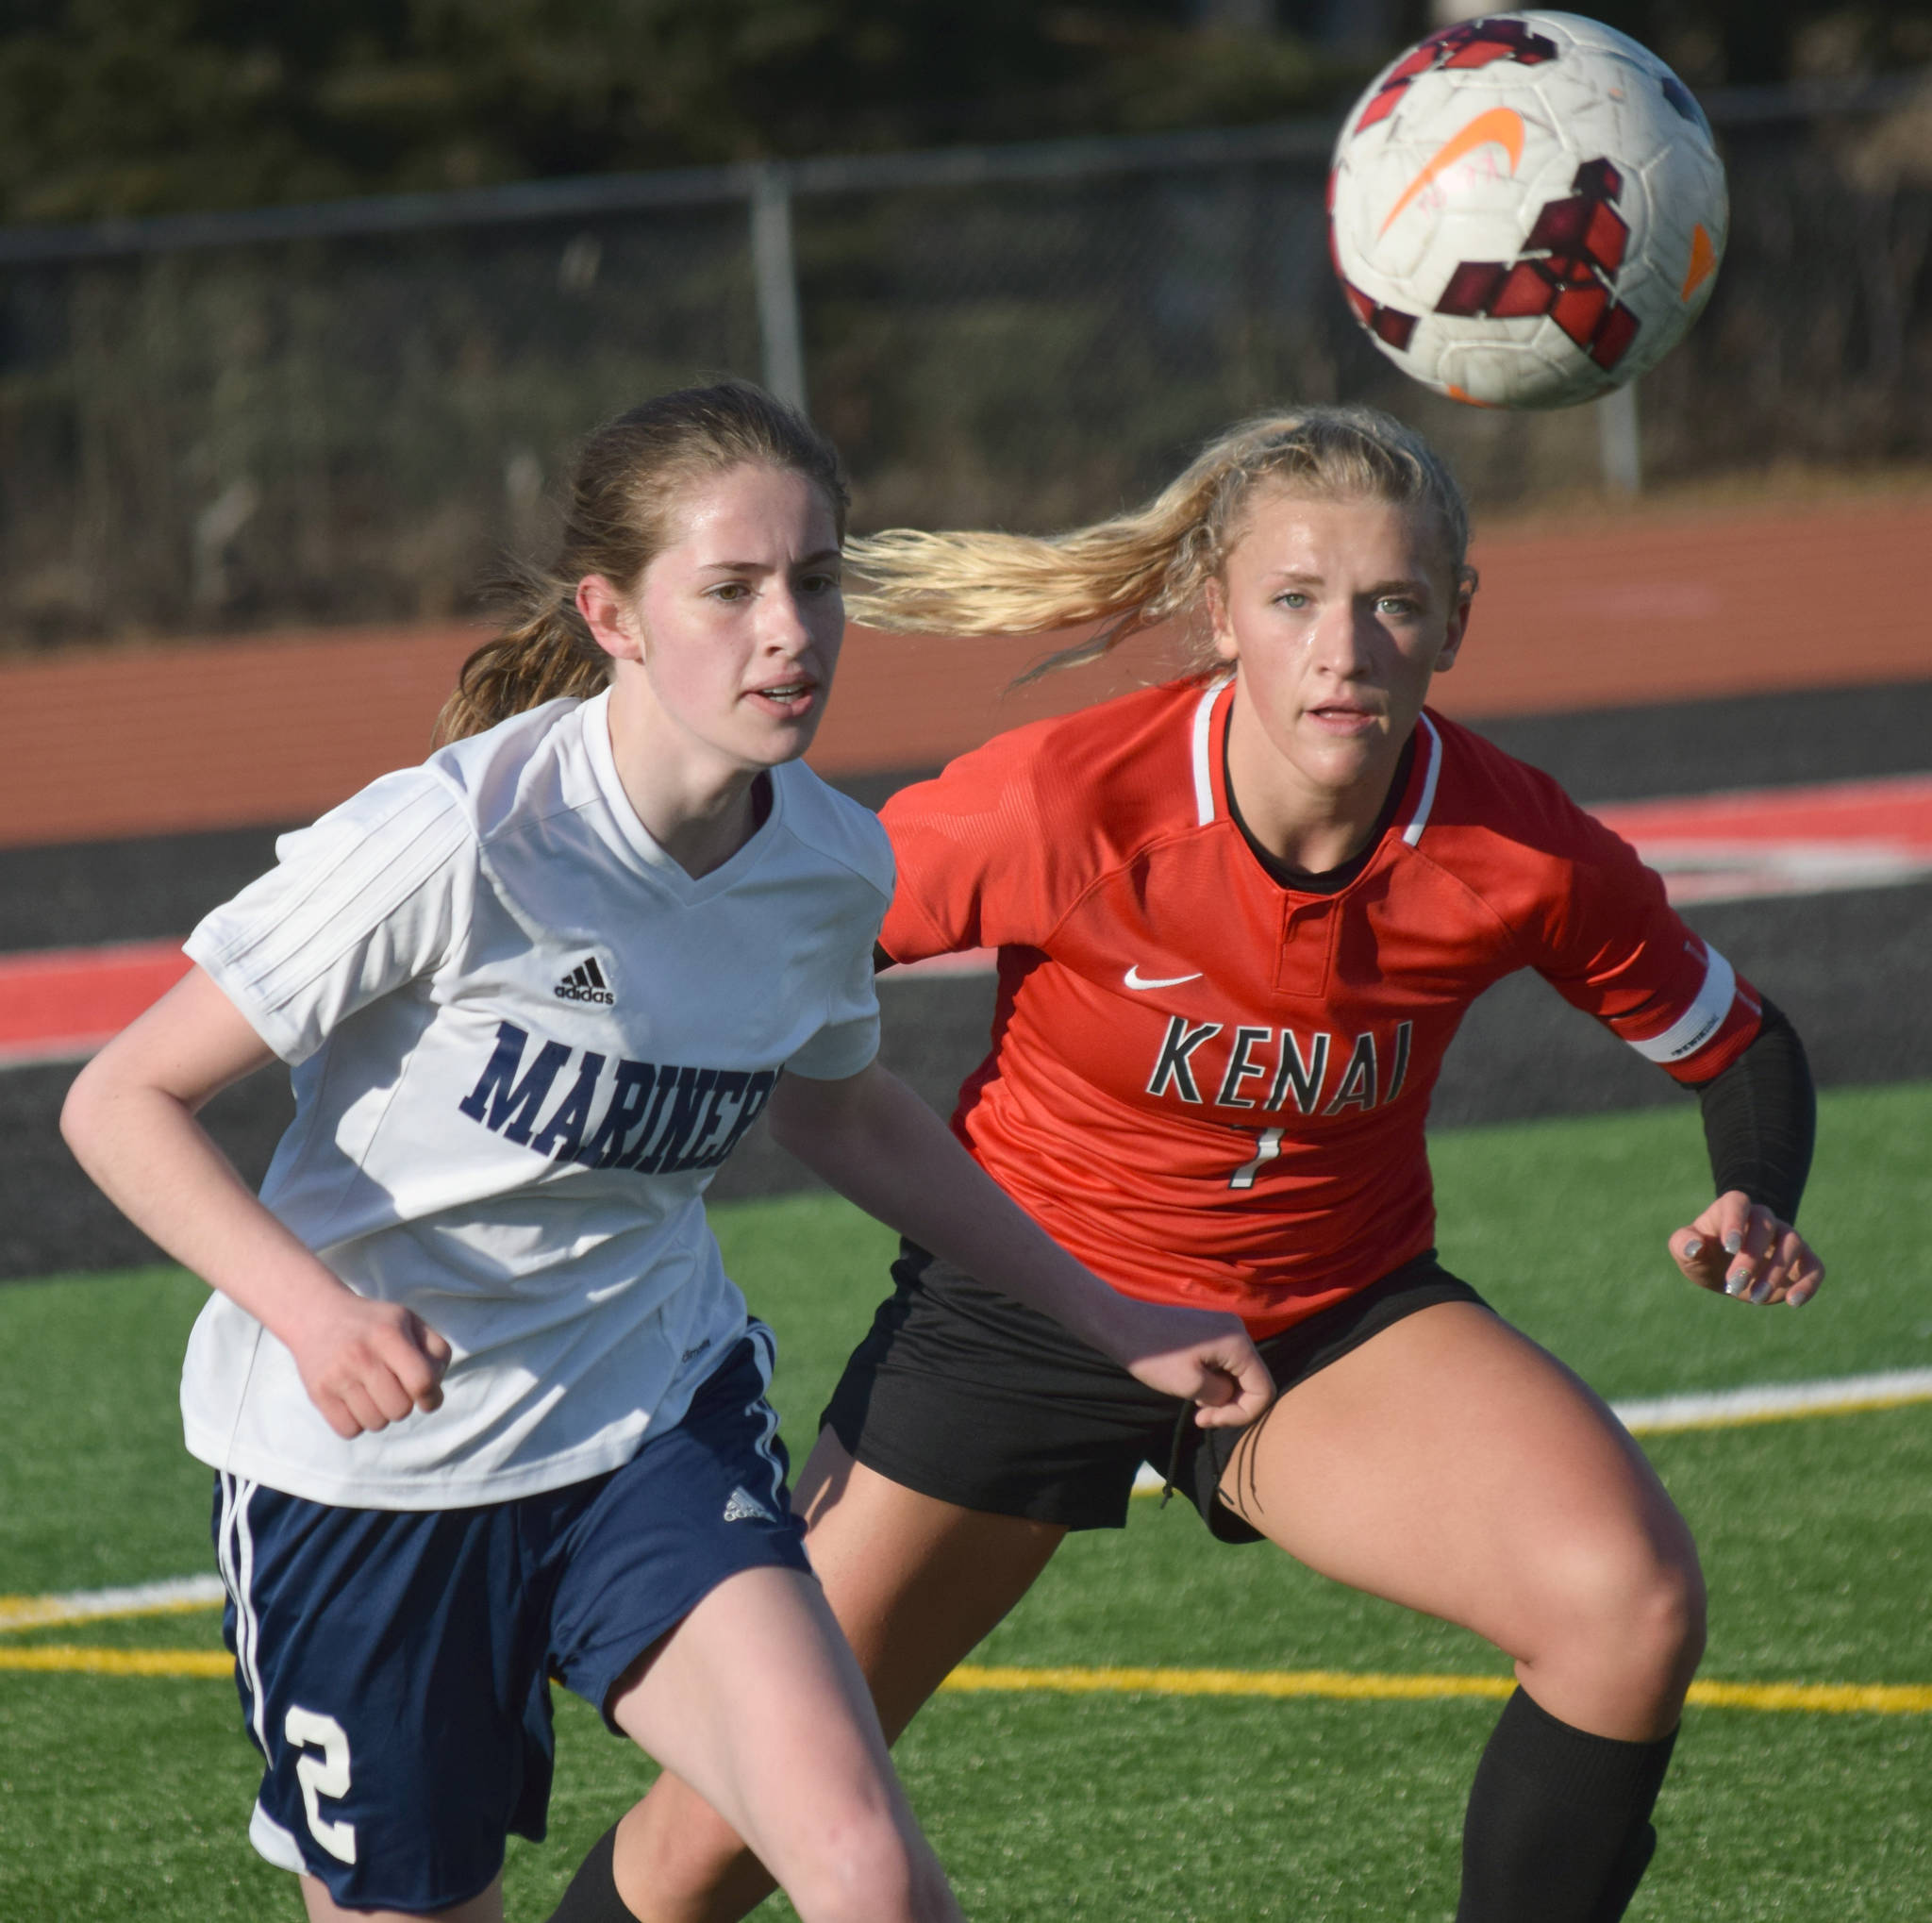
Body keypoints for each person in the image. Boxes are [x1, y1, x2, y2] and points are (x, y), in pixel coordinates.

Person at [583, 403, 1825, 1923]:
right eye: (1297, 599)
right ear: (1217, 612)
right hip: (1027, 1304)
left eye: (1394, 603)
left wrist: (1756, 1191)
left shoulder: (1518, 848)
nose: (1345, 647)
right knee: (727, 1825)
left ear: (1457, 620)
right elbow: (757, 927)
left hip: (1327, 1317)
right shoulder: (1067, 799)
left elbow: (1739, 1045)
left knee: (1627, 1604)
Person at [58, 380, 1271, 1923]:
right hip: (365, 1476)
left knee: (865, 1868)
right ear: (614, 615)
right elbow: (118, 1100)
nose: (792, 630)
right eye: (733, 589)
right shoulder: (456, 836)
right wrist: (315, 1313)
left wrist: (1111, 1312)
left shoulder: (828, 861)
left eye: (818, 580)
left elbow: (841, 1105)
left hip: (647, 1422)